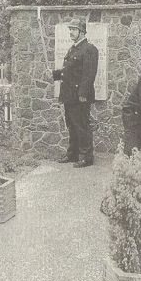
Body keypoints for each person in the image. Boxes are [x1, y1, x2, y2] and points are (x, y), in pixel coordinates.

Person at [52, 18, 98, 168]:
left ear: (82, 32)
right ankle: (73, 154)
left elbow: (89, 74)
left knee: (82, 126)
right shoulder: (73, 49)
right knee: (72, 125)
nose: (70, 32)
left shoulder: (89, 49)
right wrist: (56, 74)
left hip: (80, 96)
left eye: (73, 29)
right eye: (70, 29)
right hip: (69, 95)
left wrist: (83, 93)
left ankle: (86, 157)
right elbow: (69, 71)